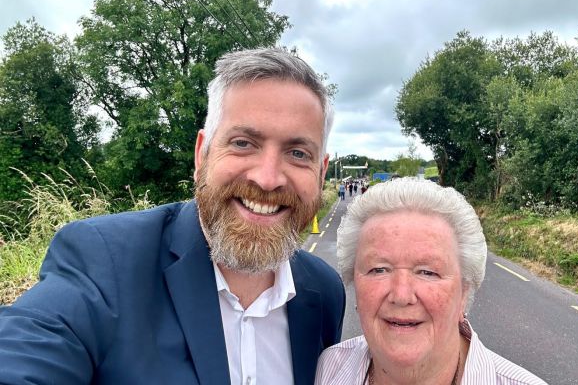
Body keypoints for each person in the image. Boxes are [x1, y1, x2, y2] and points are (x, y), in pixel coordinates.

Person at [0, 48, 346, 385]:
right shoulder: (103, 262)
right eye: (243, 143)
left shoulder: (324, 290)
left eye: (298, 153)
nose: (268, 178)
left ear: (321, 171)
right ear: (202, 154)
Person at [315, 178, 547, 385]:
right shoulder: (328, 370)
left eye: (427, 272)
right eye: (379, 269)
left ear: (464, 291)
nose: (401, 295)